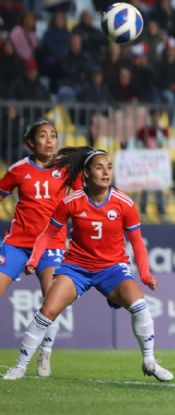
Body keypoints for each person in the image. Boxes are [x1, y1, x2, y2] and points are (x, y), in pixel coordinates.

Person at [2, 147, 173, 382]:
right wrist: (33, 259)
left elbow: (137, 244)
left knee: (140, 306)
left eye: (109, 167)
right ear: (86, 174)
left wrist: (144, 274)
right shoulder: (71, 202)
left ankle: (149, 361)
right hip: (76, 268)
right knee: (47, 311)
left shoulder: (125, 204)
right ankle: (20, 367)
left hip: (112, 268)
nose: (106, 172)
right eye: (99, 167)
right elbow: (47, 235)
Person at [0, 121, 79, 378]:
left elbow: (81, 200)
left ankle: (46, 352)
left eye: (53, 136)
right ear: (31, 143)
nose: (49, 140)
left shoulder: (66, 170)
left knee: (52, 300)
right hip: (17, 244)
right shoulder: (18, 170)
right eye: (42, 136)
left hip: (51, 244)